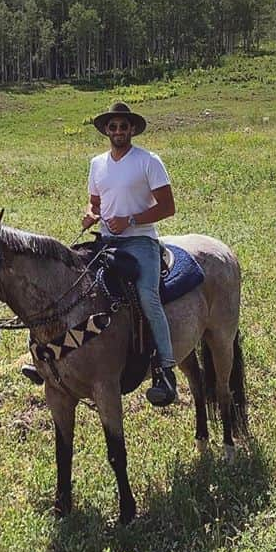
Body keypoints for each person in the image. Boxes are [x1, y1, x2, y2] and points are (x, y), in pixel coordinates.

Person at [83, 102, 178, 407]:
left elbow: (168, 207)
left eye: (124, 126)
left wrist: (132, 220)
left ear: (132, 129)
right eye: (114, 127)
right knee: (74, 283)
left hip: (140, 242)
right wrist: (90, 216)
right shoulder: (97, 164)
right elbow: (95, 203)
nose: (119, 131)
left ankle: (165, 369)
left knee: (147, 296)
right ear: (106, 131)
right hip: (107, 241)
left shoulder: (148, 161)